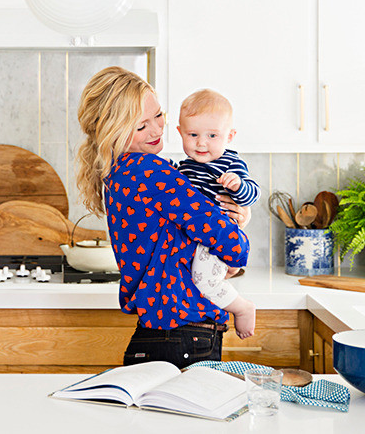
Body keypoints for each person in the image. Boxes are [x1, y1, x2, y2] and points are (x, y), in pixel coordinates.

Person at [76, 66, 250, 368]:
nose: (157, 131)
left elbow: (180, 239)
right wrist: (239, 233)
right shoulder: (148, 171)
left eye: (158, 116)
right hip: (184, 334)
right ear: (112, 132)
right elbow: (230, 242)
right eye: (141, 126)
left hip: (161, 334)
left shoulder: (119, 173)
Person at [175, 88, 259, 339]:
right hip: (201, 238)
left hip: (217, 237)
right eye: (193, 134)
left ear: (230, 136)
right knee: (201, 280)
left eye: (212, 135)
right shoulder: (186, 166)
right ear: (180, 133)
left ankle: (243, 309)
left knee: (204, 282)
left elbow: (252, 194)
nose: (201, 143)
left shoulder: (231, 163)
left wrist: (238, 186)